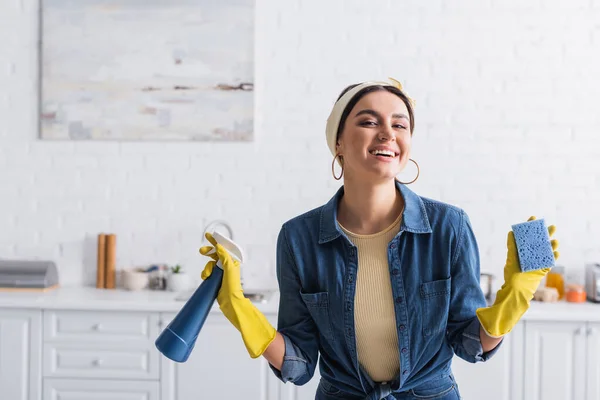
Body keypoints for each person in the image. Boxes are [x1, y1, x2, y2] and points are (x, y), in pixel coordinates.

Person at [199, 78, 560, 400]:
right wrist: (240, 309)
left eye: (399, 124)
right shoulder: (299, 238)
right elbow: (300, 364)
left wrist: (515, 297)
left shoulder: (449, 226)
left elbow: (468, 345)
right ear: (338, 141)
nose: (388, 133)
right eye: (369, 122)